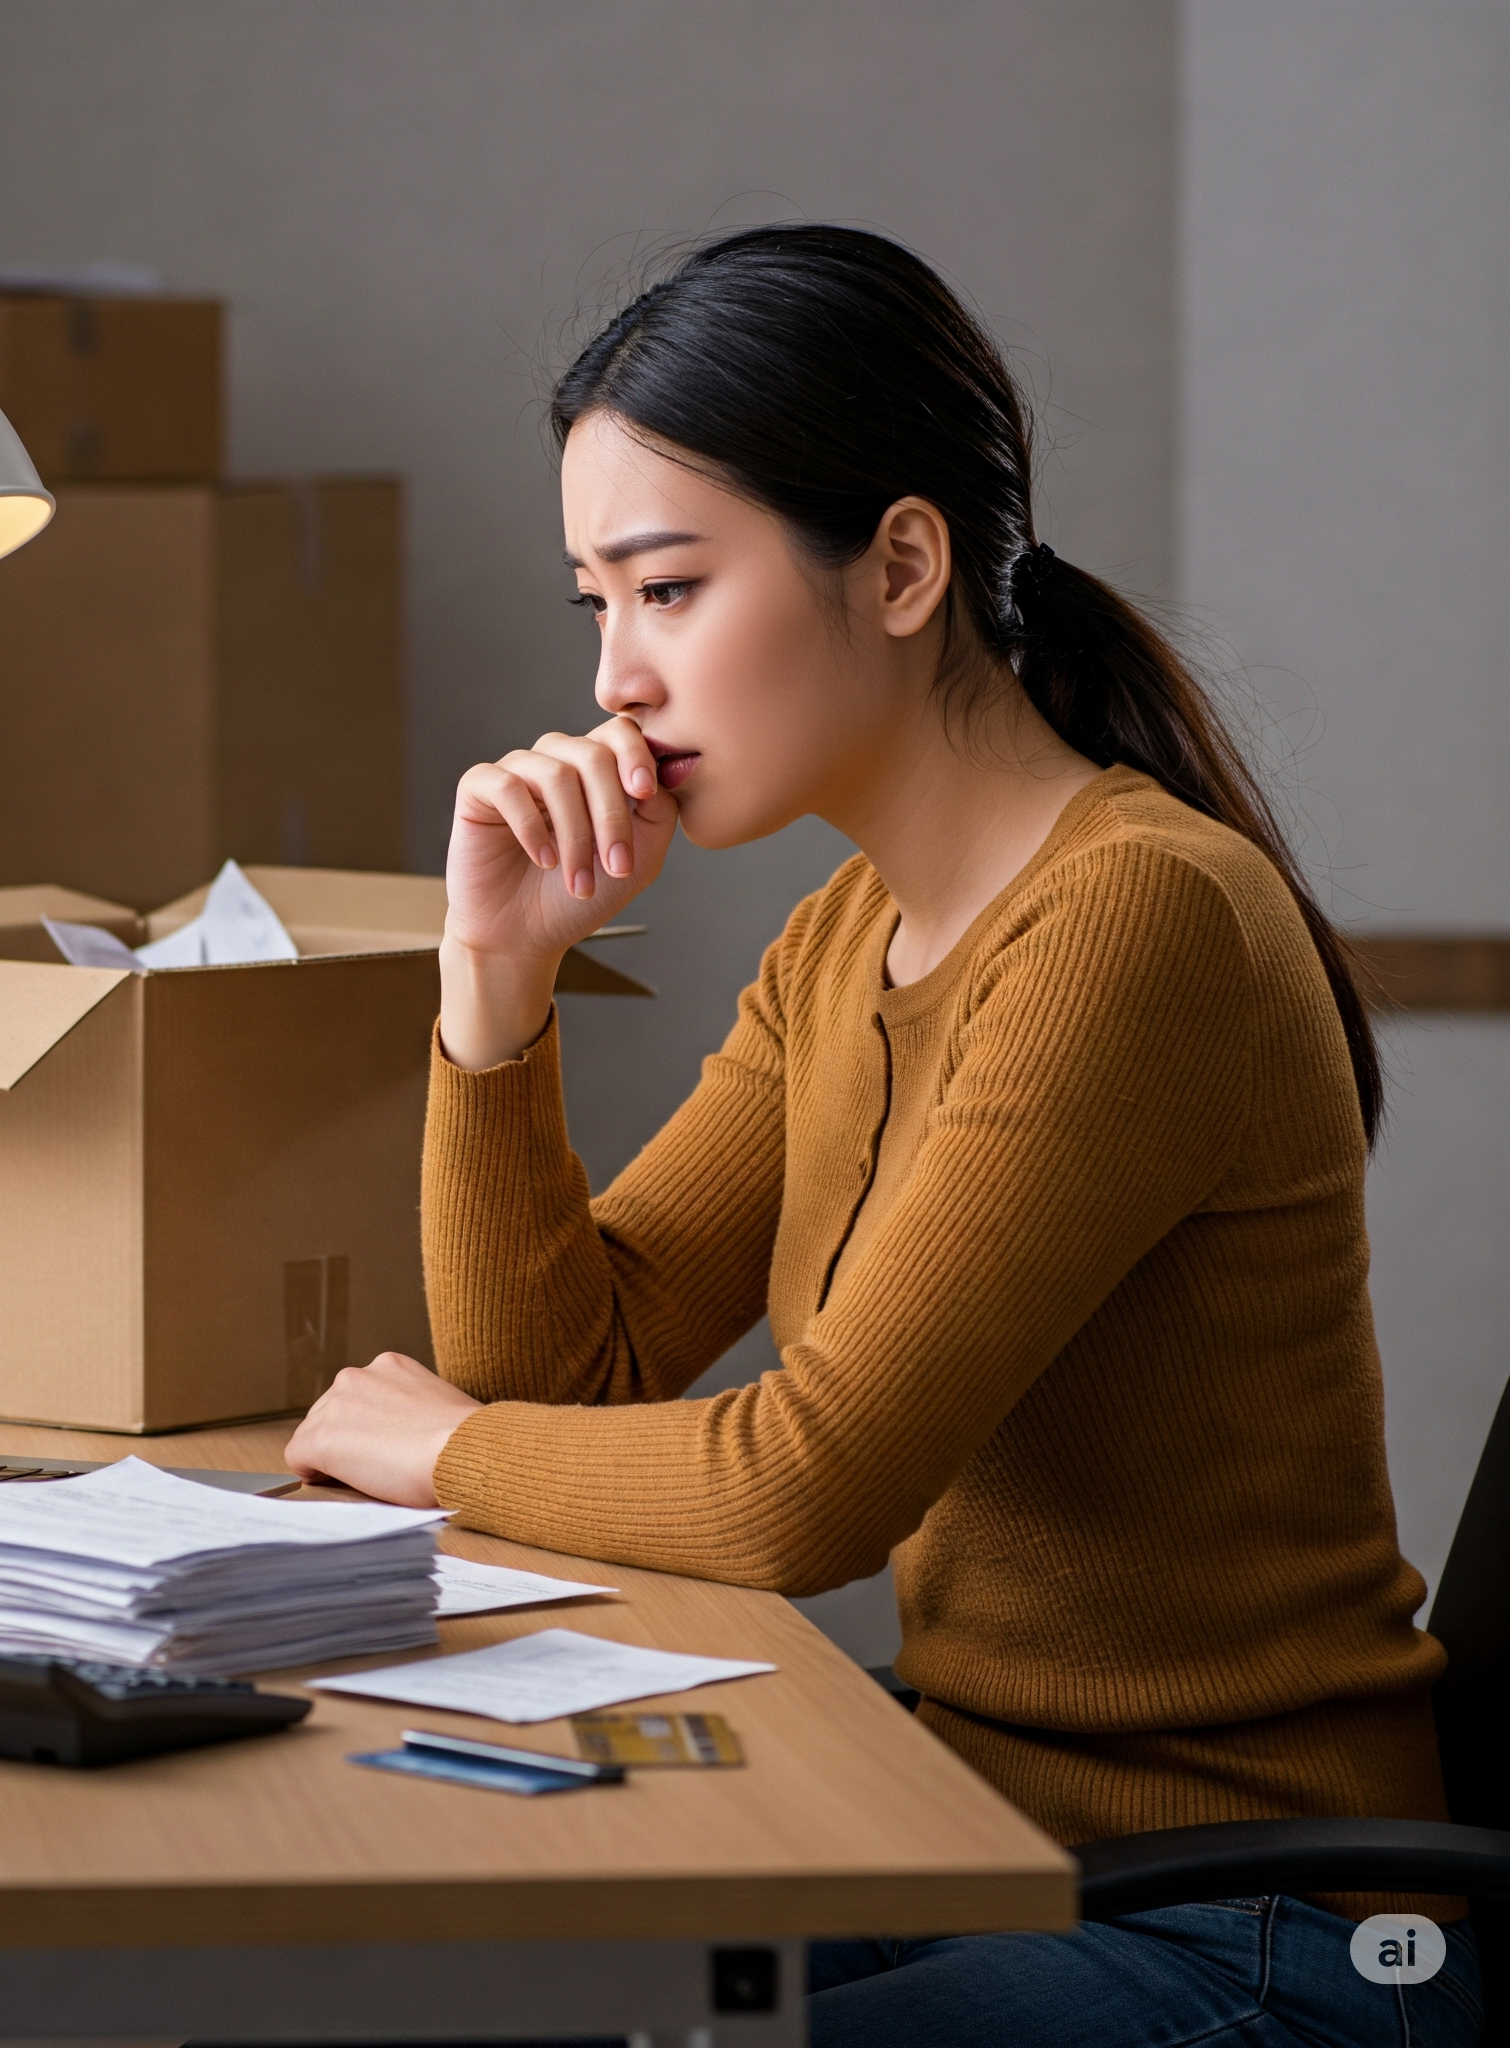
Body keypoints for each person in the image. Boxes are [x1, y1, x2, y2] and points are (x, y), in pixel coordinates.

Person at [282, 226, 1482, 2046]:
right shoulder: (846, 939)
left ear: (903, 564)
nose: (613, 676)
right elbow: (577, 1381)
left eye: (667, 589)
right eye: (589, 603)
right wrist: (494, 991)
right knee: (414, 1991)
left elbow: (797, 1493)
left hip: (1260, 1924)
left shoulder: (1135, 922)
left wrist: (447, 1454)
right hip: (968, 1840)